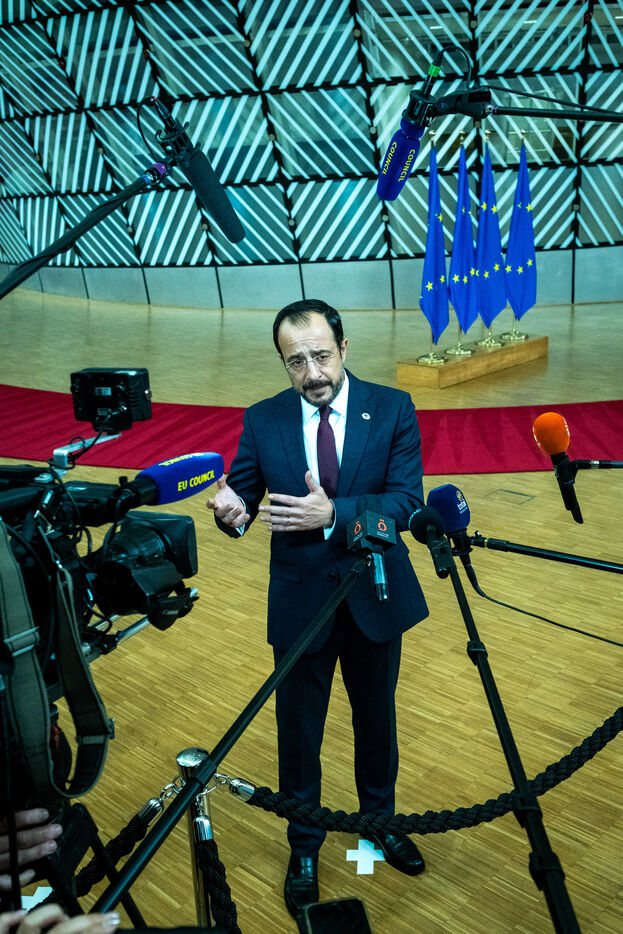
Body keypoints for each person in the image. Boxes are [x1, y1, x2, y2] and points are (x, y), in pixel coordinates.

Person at [207, 300, 429, 918]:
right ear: (282, 361)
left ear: (345, 347)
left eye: (322, 356)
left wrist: (335, 514)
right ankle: (303, 847)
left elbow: (406, 503)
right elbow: (243, 498)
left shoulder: (393, 408)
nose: (312, 373)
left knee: (376, 723)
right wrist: (231, 513)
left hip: (373, 594)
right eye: (296, 361)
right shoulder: (263, 419)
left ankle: (379, 824)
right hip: (300, 602)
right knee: (299, 734)